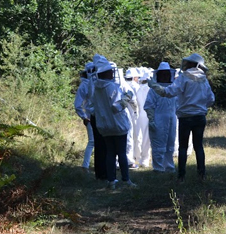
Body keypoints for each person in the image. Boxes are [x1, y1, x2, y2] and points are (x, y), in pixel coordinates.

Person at [148, 53, 215, 181]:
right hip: (200, 117)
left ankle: (181, 177)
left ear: (192, 64)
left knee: (183, 147)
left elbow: (168, 92)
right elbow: (211, 99)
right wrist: (200, 105)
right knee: (199, 146)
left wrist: (154, 86)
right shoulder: (204, 80)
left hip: (186, 117)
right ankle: (202, 175)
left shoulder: (184, 78)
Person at [90, 58, 137, 188]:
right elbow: (116, 107)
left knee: (110, 152)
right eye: (110, 71)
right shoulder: (112, 87)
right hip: (118, 124)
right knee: (121, 152)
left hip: (104, 126)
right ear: (105, 73)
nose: (112, 73)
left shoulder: (96, 88)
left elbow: (93, 107)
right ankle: (126, 180)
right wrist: (126, 98)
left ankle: (111, 181)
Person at [143, 62, 177, 173]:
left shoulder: (173, 89)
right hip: (158, 119)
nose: (165, 76)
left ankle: (169, 167)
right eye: (162, 74)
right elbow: (149, 106)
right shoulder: (153, 90)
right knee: (158, 145)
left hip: (172, 119)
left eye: (166, 74)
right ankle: (158, 168)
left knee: (170, 144)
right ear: (158, 75)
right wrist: (151, 119)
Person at [74, 61, 95, 173]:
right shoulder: (84, 86)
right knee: (92, 141)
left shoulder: (96, 83)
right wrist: (84, 117)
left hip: (98, 116)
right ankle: (85, 166)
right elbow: (77, 104)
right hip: (90, 116)